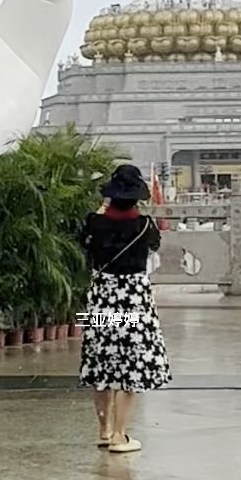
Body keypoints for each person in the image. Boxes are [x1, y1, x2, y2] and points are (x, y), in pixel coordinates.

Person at [78, 162, 172, 454]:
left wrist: (102, 212)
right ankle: (121, 435)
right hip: (134, 299)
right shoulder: (144, 225)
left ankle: (104, 430)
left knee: (102, 362)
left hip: (102, 297)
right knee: (130, 364)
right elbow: (154, 248)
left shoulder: (94, 221)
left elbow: (85, 243)